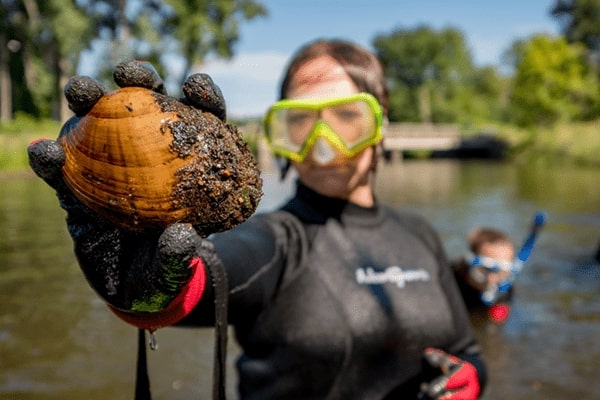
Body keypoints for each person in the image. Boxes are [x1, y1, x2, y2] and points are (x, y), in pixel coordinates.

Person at [28, 39, 486, 399]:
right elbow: (212, 270)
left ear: (381, 123)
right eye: (301, 122)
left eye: (348, 117)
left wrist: (472, 376)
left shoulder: (421, 234)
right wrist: (142, 288)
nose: (323, 142)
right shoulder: (274, 240)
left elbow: (466, 349)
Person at [451, 228, 516, 324]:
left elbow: (497, 322)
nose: (493, 278)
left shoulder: (505, 287)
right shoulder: (452, 279)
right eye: (487, 269)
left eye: (503, 271)